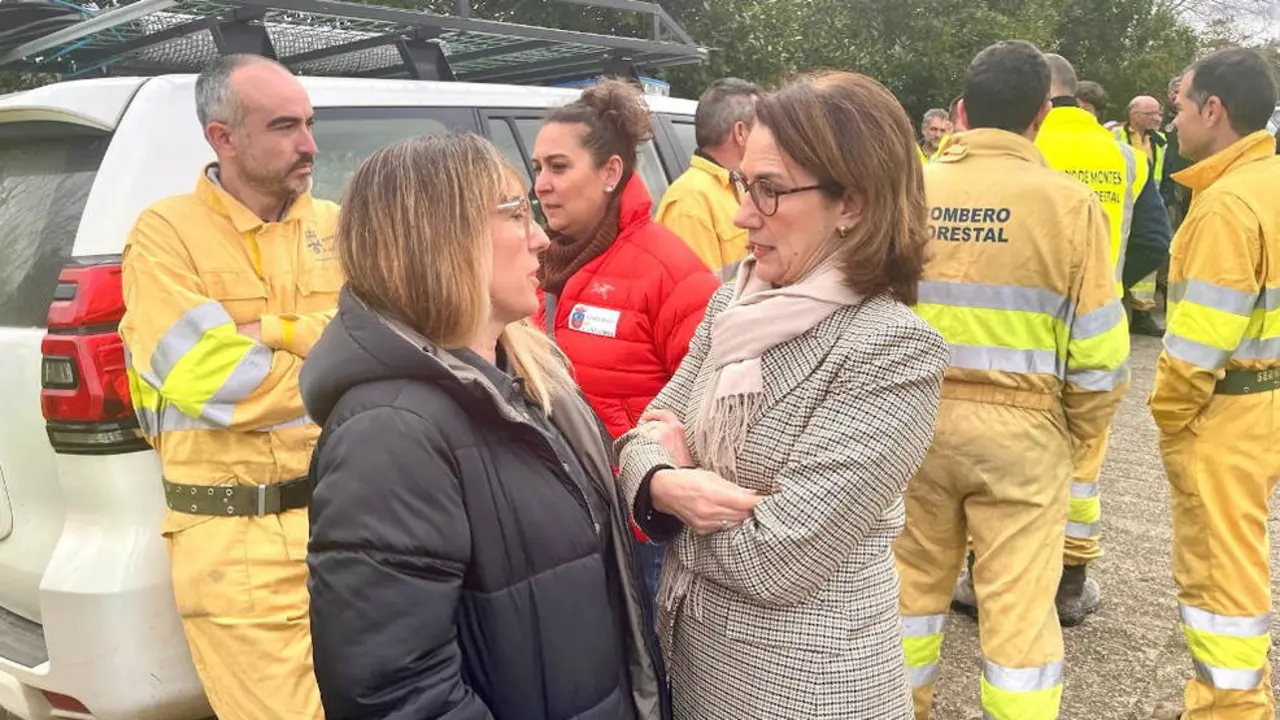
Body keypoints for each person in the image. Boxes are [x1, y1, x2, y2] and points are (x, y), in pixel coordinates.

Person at [616, 69, 949, 720]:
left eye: (769, 191)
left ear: (851, 203)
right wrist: (665, 480)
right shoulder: (735, 302)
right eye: (745, 183)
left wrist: (665, 482)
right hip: (698, 663)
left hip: (803, 692)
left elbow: (778, 561)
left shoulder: (891, 349)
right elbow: (644, 432)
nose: (742, 214)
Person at [301, 133, 666, 720]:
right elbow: (398, 695)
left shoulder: (523, 383)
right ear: (441, 235)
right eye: (516, 212)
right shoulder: (389, 435)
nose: (542, 236)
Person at [895, 40, 1127, 720]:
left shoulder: (911, 189)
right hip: (1024, 435)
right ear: (1039, 120)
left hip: (911, 423)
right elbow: (1101, 355)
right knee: (1021, 613)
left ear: (961, 111)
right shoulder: (1070, 204)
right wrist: (1074, 432)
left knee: (904, 596)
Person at [118, 54, 338, 719]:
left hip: (345, 521)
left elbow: (389, 343)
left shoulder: (334, 224)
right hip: (235, 542)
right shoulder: (164, 236)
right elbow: (223, 387)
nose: (309, 144)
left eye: (308, 122)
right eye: (284, 126)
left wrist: (272, 328)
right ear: (223, 138)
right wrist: (332, 347)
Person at [951, 52, 1171, 626]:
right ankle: (1070, 582)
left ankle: (974, 577)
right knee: (1076, 474)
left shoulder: (956, 171)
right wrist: (1115, 283)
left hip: (961, 370)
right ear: (1046, 106)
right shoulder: (1122, 157)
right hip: (1073, 345)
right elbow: (1153, 237)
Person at [531, 78, 719, 612]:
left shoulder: (669, 271)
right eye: (538, 167)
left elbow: (705, 406)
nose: (541, 183)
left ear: (611, 172)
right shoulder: (537, 265)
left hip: (640, 533)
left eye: (559, 167)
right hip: (566, 520)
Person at [1151, 46, 1280, 720]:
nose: (1173, 121)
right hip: (1262, 403)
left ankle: (1230, 710)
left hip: (1223, 414)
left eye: (1179, 106)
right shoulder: (1269, 182)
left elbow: (1198, 346)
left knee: (1220, 577)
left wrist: (1171, 417)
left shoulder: (1225, 206)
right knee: (1238, 559)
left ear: (1213, 110)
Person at [656, 77, 761, 280]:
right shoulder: (689, 201)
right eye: (760, 127)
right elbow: (697, 296)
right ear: (740, 132)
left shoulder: (735, 186)